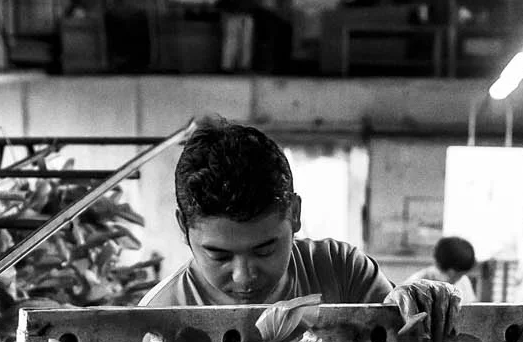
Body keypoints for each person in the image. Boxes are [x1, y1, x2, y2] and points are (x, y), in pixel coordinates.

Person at [138, 117, 391, 309]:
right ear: (184, 227)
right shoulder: (159, 314)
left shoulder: (344, 274)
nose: (244, 277)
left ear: (294, 213)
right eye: (219, 255)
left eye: (265, 250)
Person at [408, 235, 479, 302]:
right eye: (450, 275)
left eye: (459, 276)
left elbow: (470, 307)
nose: (453, 280)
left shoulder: (463, 281)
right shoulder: (413, 286)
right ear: (437, 264)